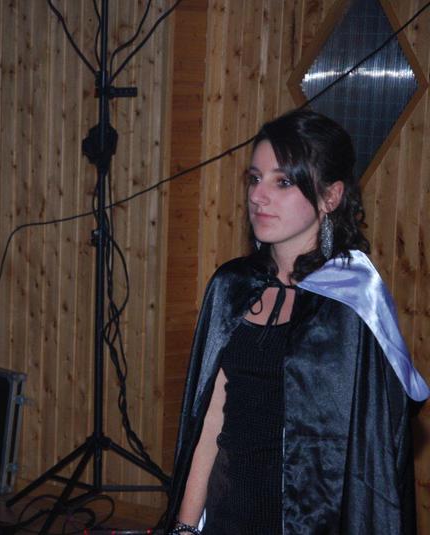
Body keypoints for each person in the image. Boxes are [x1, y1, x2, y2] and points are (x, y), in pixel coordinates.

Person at [164, 109, 429, 534]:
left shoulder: (354, 302)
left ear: (330, 196)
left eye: (283, 182)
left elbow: (373, 451)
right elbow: (210, 420)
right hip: (228, 516)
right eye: (254, 178)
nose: (258, 196)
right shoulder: (232, 287)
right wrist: (184, 526)